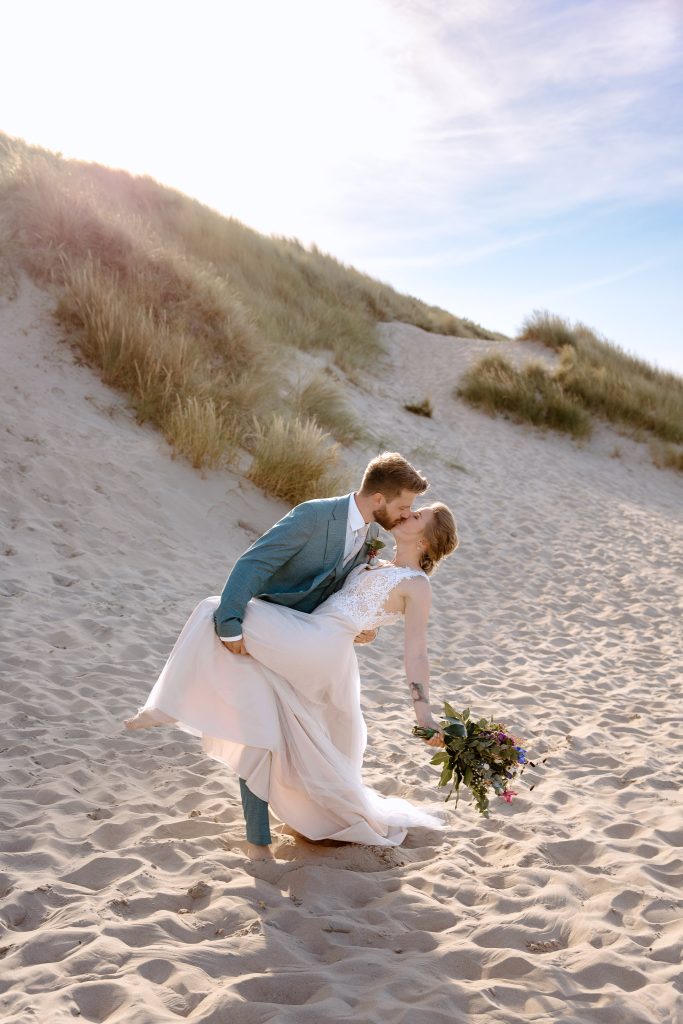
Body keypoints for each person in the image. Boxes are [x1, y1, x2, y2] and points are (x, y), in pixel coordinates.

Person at [124, 453, 458, 858]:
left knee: (216, 610)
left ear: (424, 540)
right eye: (406, 507)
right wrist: (364, 626)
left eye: (415, 516)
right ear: (379, 499)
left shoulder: (417, 585)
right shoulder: (371, 558)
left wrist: (423, 714)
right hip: (316, 642)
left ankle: (165, 705)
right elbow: (343, 600)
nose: (406, 515)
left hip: (317, 645)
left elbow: (417, 655)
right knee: (268, 724)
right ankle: (271, 830)